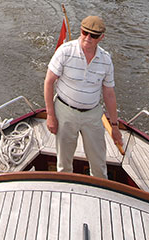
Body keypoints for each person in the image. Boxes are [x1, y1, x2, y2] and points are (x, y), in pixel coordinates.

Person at [43, 15, 122, 179]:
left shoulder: (106, 60)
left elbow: (109, 94)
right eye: (85, 33)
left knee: (99, 163)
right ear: (80, 31)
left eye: (93, 35)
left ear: (101, 37)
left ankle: (99, 187)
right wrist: (50, 115)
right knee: (64, 163)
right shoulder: (65, 51)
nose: (88, 38)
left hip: (92, 115)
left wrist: (114, 126)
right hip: (65, 112)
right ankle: (64, 186)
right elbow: (49, 82)